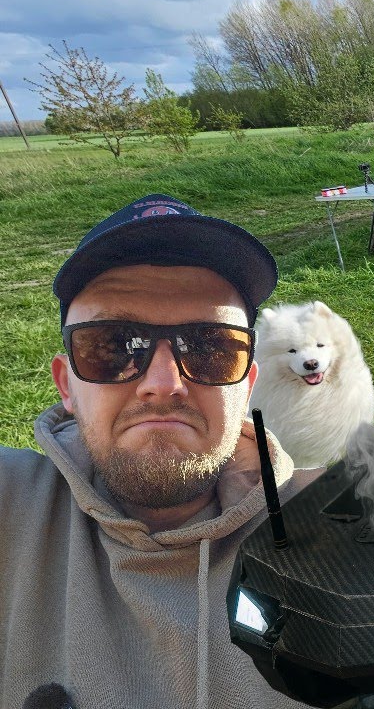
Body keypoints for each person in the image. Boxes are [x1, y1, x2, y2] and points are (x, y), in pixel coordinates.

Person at [0, 195, 321, 709]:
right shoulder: (10, 505)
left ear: (246, 384)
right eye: (114, 344)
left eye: (211, 347)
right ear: (66, 384)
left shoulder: (337, 530)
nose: (163, 384)